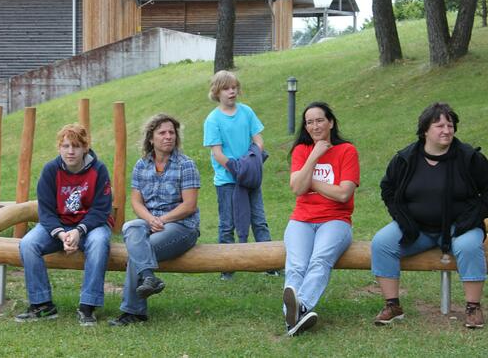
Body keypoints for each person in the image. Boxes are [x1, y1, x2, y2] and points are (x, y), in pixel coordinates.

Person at [371, 102, 488, 329]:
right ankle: (392, 305)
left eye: (450, 125)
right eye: (439, 126)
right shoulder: (405, 158)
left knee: (469, 246)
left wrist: (471, 219)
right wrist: (403, 219)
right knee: (381, 243)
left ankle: (473, 308)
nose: (446, 130)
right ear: (425, 130)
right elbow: (388, 188)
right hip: (416, 229)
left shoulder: (469, 157)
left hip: (459, 227)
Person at [16, 124, 113, 326]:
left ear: (85, 148)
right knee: (28, 243)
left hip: (90, 227)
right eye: (66, 146)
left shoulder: (99, 169)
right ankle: (42, 305)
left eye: (76, 146)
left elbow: (101, 209)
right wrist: (61, 234)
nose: (70, 151)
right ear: (59, 148)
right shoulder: (50, 170)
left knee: (99, 242)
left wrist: (79, 231)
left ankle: (88, 306)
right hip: (59, 226)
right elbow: (46, 211)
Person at [109, 114, 201, 326]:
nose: (168, 136)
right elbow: (136, 202)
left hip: (182, 227)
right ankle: (149, 278)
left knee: (139, 251)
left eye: (171, 132)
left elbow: (189, 205)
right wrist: (151, 219)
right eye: (162, 133)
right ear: (151, 138)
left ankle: (134, 312)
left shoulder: (186, 165)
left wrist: (162, 220)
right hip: (149, 223)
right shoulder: (141, 165)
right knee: (130, 226)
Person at [282, 102, 360, 336]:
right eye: (309, 122)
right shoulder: (302, 150)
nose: (315, 126)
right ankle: (295, 317)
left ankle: (300, 307)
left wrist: (310, 182)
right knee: (296, 266)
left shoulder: (347, 150)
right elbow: (297, 189)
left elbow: (343, 194)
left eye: (319, 120)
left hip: (335, 220)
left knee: (320, 260)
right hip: (301, 220)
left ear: (331, 122)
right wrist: (315, 155)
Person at [203, 70, 277, 280]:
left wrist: (251, 161)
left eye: (234, 87)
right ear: (217, 92)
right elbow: (217, 153)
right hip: (227, 181)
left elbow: (258, 140)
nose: (232, 91)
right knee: (227, 224)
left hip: (250, 179)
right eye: (226, 88)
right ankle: (227, 268)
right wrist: (236, 168)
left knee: (259, 220)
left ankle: (269, 263)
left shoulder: (246, 112)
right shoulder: (213, 120)